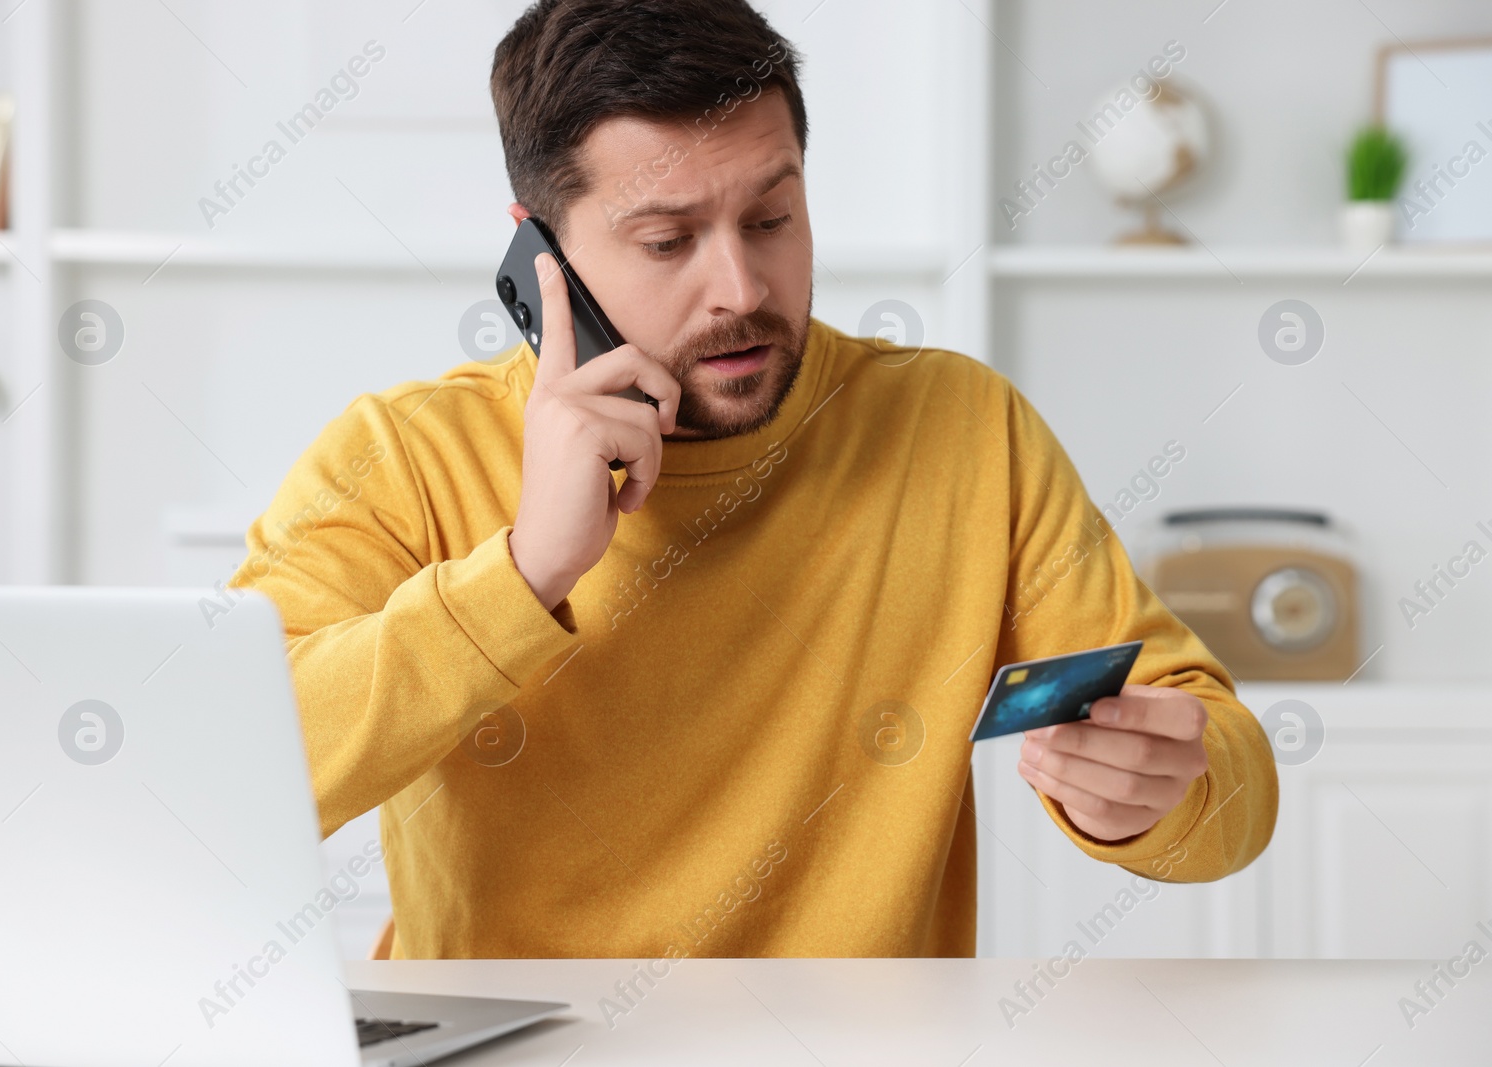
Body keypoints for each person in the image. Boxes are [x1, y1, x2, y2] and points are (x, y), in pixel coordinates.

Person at [229, 0, 1276, 960]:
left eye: (770, 219)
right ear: (538, 254)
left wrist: (1144, 798)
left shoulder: (961, 429)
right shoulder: (406, 455)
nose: (739, 288)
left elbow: (1229, 795)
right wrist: (524, 568)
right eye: (667, 239)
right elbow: (224, 778)